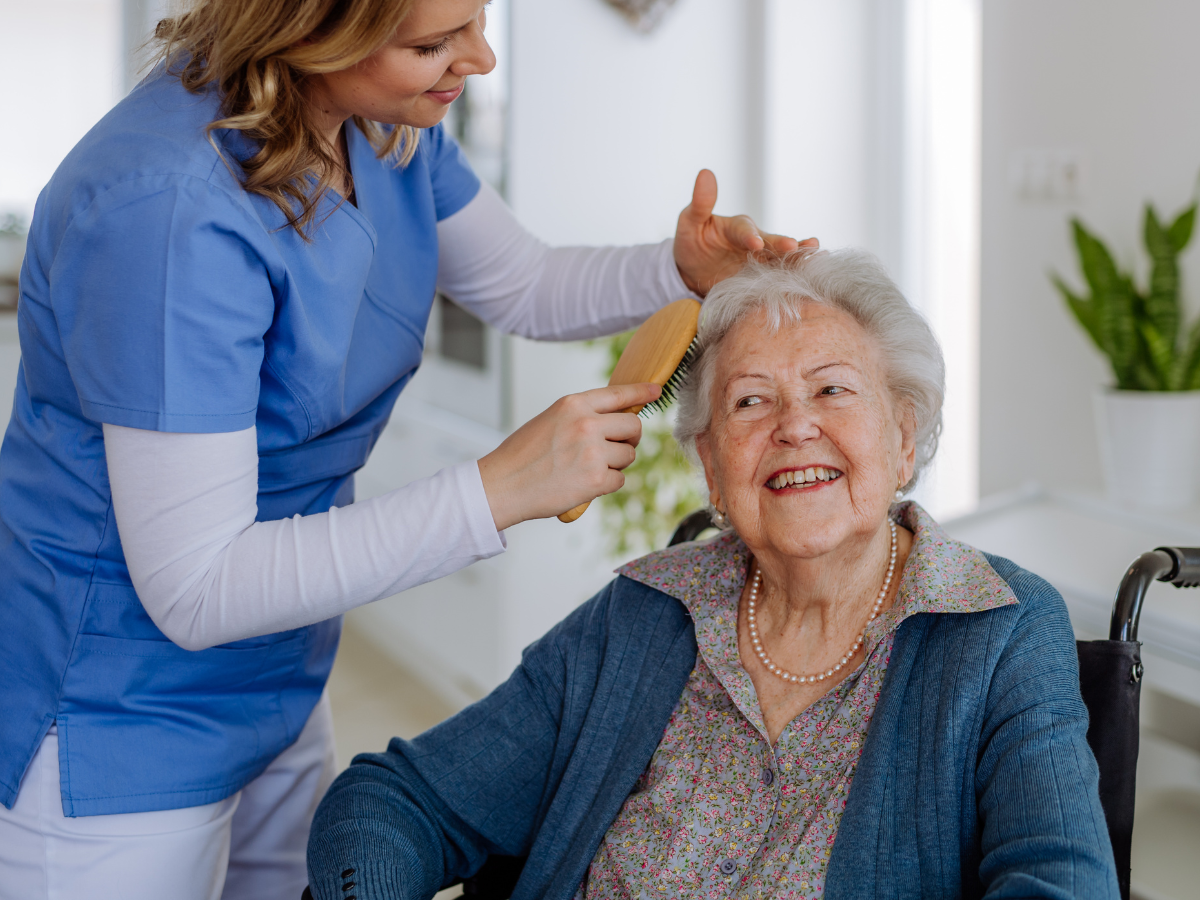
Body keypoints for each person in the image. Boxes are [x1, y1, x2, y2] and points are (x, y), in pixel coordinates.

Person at [0, 0, 808, 897]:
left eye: (477, 19)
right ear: (311, 31)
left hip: (276, 664)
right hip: (112, 711)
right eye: (432, 45)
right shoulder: (166, 207)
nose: (482, 58)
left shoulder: (377, 128)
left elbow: (527, 284)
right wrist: (498, 489)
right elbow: (196, 587)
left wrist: (678, 269)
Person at [305, 249, 1119, 900]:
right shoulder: (642, 615)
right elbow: (396, 800)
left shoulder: (1002, 628)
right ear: (711, 467)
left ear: (905, 437)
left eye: (833, 389)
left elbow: (1062, 881)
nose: (796, 425)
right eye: (750, 403)